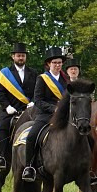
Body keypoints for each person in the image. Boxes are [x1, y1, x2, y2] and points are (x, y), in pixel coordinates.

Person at [22, 46, 69, 182]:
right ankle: (29, 167)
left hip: (65, 116)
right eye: (54, 63)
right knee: (32, 136)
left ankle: (87, 168)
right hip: (46, 115)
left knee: (85, 134)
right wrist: (54, 108)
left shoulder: (66, 81)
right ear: (48, 64)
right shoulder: (42, 79)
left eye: (59, 63)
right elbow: (38, 100)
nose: (57, 65)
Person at [0, 42, 36, 170]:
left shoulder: (33, 73)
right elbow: (1, 93)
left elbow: (38, 91)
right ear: (13, 57)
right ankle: (2, 156)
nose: (21, 58)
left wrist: (33, 102)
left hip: (29, 109)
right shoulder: (5, 74)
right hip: (10, 109)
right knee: (3, 126)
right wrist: (7, 107)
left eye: (23, 56)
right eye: (18, 55)